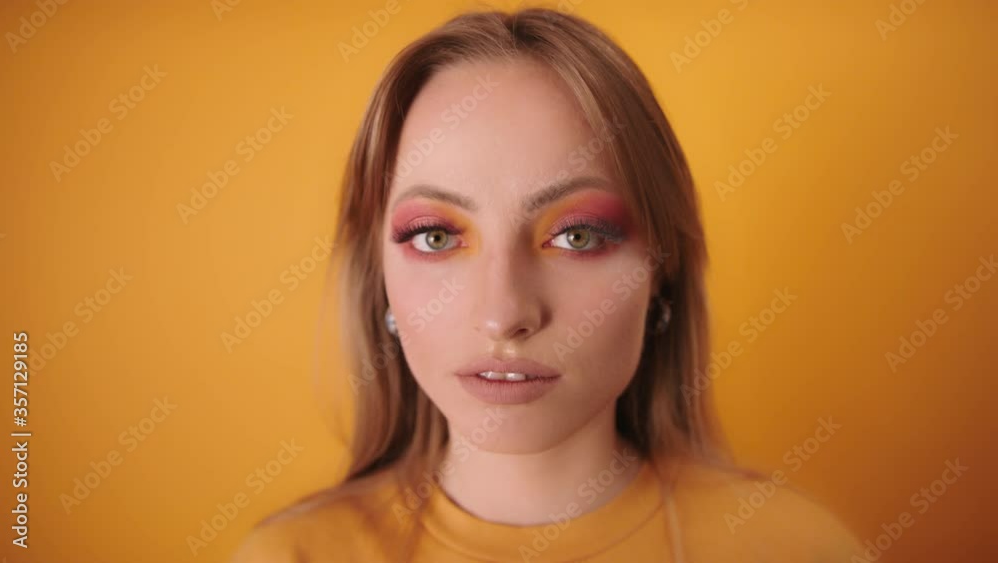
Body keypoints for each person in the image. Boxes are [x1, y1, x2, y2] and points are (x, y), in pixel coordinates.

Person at [233, 8, 862, 562]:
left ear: (660, 271)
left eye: (577, 236)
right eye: (435, 236)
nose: (505, 314)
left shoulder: (793, 548)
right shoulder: (292, 557)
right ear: (380, 279)